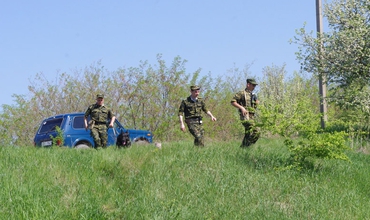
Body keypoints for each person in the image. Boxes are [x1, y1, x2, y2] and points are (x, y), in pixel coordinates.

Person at [231, 78, 260, 148]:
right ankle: (247, 146)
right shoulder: (241, 93)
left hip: (252, 117)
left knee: (248, 133)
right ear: (248, 84)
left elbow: (255, 105)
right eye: (253, 85)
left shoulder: (253, 95)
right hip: (245, 117)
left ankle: (243, 148)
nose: (254, 87)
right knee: (257, 131)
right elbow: (233, 102)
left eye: (255, 86)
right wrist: (242, 108)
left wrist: (257, 103)